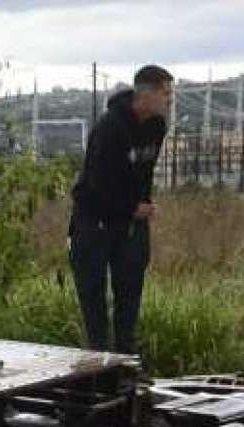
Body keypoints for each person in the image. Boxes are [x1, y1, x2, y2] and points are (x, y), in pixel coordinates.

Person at [69, 64, 173, 357]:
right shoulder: (109, 128)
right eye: (165, 94)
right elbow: (96, 183)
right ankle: (98, 367)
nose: (169, 100)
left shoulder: (156, 127)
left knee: (129, 297)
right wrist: (130, 208)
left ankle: (127, 369)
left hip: (131, 224)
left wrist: (142, 208)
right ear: (146, 94)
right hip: (94, 222)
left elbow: (143, 172)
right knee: (95, 303)